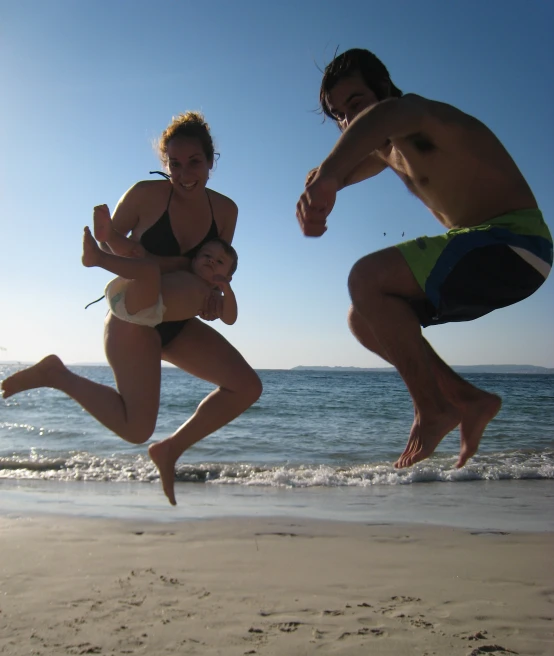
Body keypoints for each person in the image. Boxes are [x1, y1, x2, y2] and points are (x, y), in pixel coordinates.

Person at [296, 48, 552, 470]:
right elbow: (354, 161)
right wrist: (326, 183)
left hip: (515, 243)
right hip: (497, 259)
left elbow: (379, 121)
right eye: (339, 116)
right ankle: (467, 400)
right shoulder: (388, 149)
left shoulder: (413, 112)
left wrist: (328, 173)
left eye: (354, 105)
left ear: (384, 90)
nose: (348, 121)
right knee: (363, 317)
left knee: (366, 277)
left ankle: (431, 410)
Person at [2, 111, 262, 506]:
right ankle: (56, 374)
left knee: (245, 387)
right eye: (174, 164)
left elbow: (219, 265)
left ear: (212, 161)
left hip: (176, 322)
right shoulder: (145, 194)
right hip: (135, 317)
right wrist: (143, 257)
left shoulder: (226, 211)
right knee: (136, 424)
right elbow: (110, 242)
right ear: (165, 164)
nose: (184, 173)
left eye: (194, 162)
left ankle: (170, 449)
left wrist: (215, 300)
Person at [82, 207, 239, 328]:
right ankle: (110, 237)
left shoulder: (213, 297)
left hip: (148, 311)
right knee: (140, 257)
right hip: (133, 295)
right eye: (207, 256)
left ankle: (99, 258)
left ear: (228, 277)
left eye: (219, 262)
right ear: (195, 260)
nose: (211, 261)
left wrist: (227, 291)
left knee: (149, 269)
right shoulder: (184, 271)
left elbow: (230, 319)